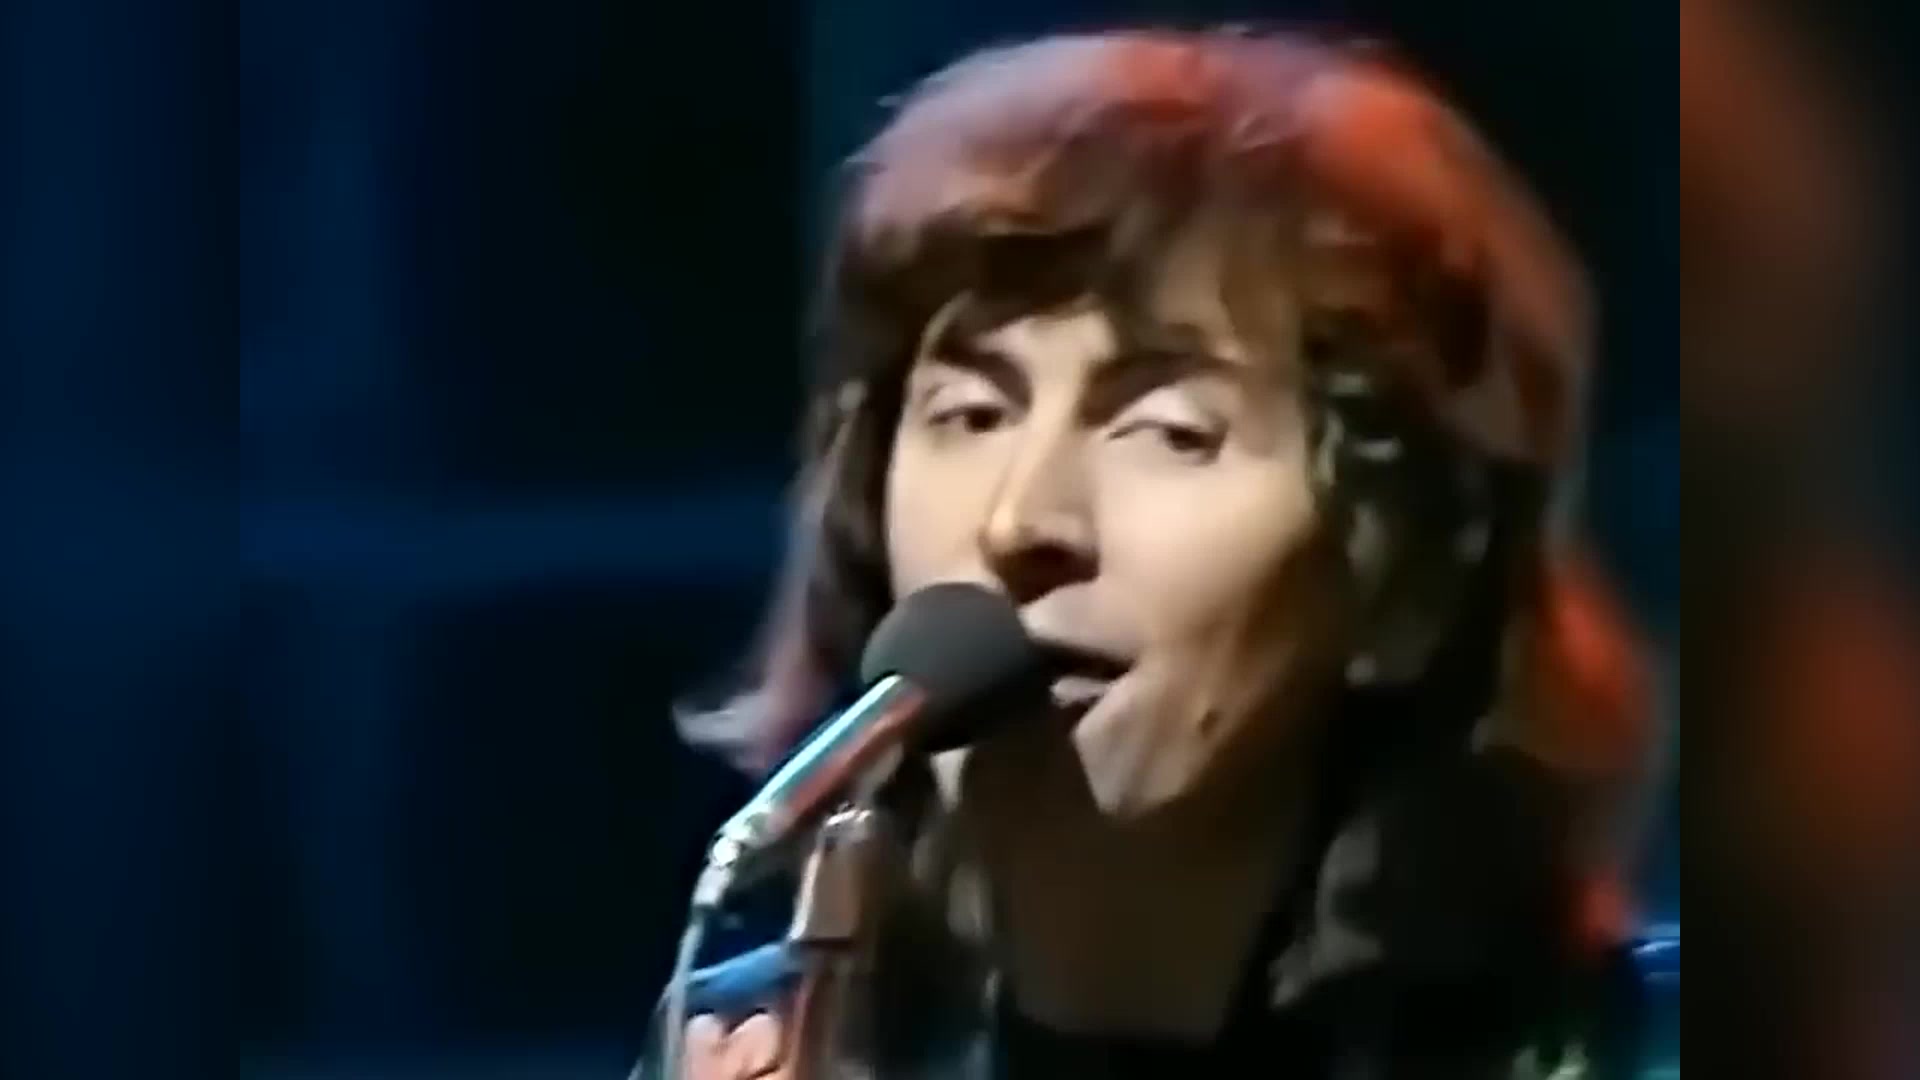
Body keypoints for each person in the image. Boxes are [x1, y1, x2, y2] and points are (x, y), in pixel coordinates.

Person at [647, 27, 1656, 1079]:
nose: (1020, 520)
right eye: (971, 413)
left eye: (1171, 432)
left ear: (1402, 574)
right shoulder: (760, 1047)